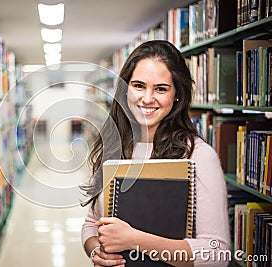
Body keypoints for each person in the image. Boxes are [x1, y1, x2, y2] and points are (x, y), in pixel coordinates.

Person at [80, 40, 230, 267]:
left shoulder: (198, 156)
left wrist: (133, 240)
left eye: (160, 88)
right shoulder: (113, 147)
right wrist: (95, 252)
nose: (147, 98)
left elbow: (217, 253)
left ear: (177, 95)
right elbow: (92, 223)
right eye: (139, 86)